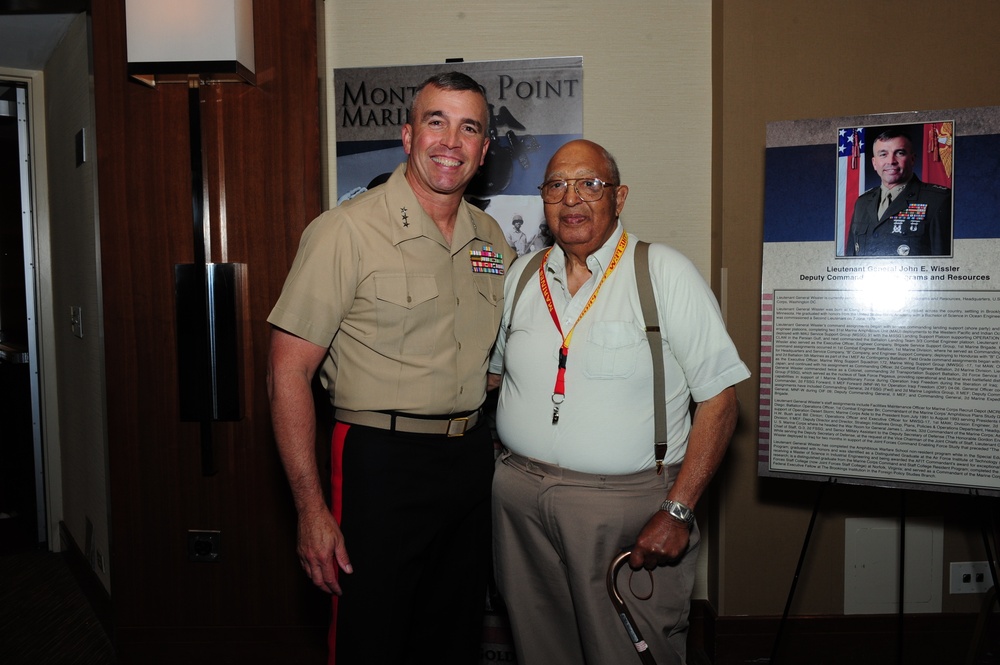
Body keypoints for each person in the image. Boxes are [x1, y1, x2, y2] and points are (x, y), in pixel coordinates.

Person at [266, 71, 513, 665]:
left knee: (452, 636)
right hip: (379, 461)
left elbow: (492, 360)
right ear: (407, 135)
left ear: (483, 150)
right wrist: (310, 509)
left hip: (468, 463)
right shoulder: (345, 231)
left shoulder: (491, 238)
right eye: (436, 122)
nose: (451, 140)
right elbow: (286, 374)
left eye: (469, 127)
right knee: (368, 637)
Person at [488, 139, 751, 665]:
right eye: (557, 186)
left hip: (625, 509)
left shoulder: (663, 273)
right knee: (540, 647)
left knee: (628, 651)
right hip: (518, 501)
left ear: (619, 196)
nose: (572, 199)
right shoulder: (521, 276)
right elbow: (496, 379)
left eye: (590, 184)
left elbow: (721, 402)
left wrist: (677, 510)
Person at [848, 127, 952, 256]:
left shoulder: (938, 200)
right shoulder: (862, 202)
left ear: (912, 159)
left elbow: (943, 265)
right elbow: (850, 261)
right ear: (875, 163)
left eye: (900, 153)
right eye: (883, 154)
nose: (891, 161)